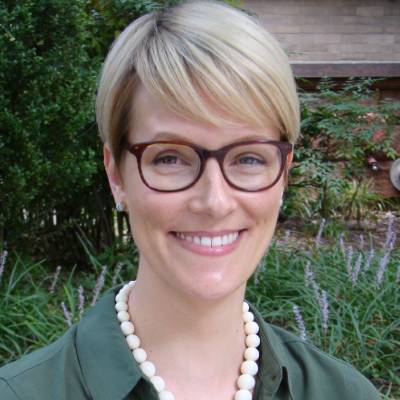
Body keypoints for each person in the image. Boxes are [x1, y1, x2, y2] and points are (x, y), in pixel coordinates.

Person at [0, 1, 381, 399]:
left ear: (284, 172)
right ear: (116, 175)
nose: (214, 201)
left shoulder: (344, 392)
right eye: (170, 158)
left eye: (248, 158)